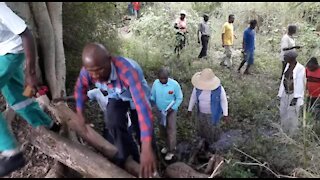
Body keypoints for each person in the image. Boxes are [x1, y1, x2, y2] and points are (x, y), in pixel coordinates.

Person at [74, 42, 157, 178]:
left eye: (99, 70)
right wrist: (80, 113)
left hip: (135, 96)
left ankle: (151, 166)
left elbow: (143, 109)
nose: (95, 76)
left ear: (109, 60)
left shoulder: (127, 71)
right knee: (112, 120)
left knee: (144, 134)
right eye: (91, 72)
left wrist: (147, 149)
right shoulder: (88, 71)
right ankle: (128, 156)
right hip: (116, 94)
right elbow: (80, 89)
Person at [0, 2, 60, 177]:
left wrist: (31, 73)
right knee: (19, 97)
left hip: (12, 52)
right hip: (4, 53)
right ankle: (47, 124)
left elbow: (26, 34)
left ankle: (11, 153)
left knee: (20, 95)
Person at [187, 68, 229, 143]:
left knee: (211, 130)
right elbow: (193, 97)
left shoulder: (219, 89)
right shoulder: (197, 88)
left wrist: (225, 114)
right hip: (201, 113)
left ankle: (211, 145)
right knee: (201, 128)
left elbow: (224, 101)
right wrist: (189, 109)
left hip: (212, 114)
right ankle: (202, 143)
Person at [150, 68, 183, 161]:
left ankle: (171, 151)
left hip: (171, 111)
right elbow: (152, 95)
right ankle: (166, 145)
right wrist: (152, 104)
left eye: (164, 78)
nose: (163, 80)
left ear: (168, 77)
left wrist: (173, 108)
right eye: (161, 78)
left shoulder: (174, 85)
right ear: (158, 78)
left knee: (171, 130)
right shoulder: (156, 83)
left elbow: (179, 98)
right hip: (160, 111)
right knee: (162, 130)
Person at [277, 51, 305, 136]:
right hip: (285, 93)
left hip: (294, 95)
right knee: (283, 112)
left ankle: (292, 135)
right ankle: (284, 133)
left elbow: (300, 83)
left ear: (291, 59)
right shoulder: (288, 66)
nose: (284, 59)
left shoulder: (300, 68)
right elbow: (283, 80)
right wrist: (280, 94)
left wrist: (296, 98)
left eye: (286, 57)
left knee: (292, 115)